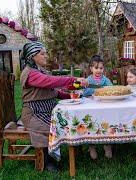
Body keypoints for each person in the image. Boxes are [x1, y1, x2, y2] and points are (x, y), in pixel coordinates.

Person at [19, 41, 87, 171]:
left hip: (47, 110)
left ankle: (75, 149)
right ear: (33, 56)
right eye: (42, 54)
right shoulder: (30, 73)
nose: (46, 56)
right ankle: (47, 160)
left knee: (69, 121)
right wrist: (73, 80)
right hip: (34, 113)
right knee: (51, 128)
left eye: (46, 53)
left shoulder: (40, 71)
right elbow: (51, 82)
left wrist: (71, 96)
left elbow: (53, 91)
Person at [82, 55, 113, 160]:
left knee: (105, 122)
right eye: (96, 68)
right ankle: (92, 145)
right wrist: (95, 90)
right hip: (90, 105)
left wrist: (105, 90)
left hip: (104, 105)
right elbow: (84, 92)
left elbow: (111, 89)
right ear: (91, 68)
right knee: (91, 122)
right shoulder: (88, 80)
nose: (99, 70)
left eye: (101, 68)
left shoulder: (105, 80)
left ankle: (107, 144)